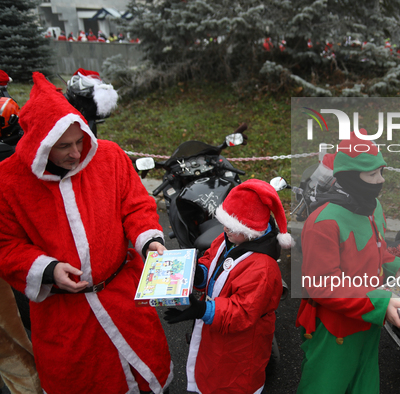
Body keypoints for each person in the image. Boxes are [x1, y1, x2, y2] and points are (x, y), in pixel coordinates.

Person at [0, 72, 173, 394]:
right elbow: (5, 244)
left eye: (80, 141)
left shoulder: (109, 156)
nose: (77, 153)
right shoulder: (8, 182)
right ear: (39, 143)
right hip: (64, 316)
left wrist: (149, 238)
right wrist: (47, 269)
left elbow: (136, 206)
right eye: (63, 146)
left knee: (148, 373)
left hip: (124, 298)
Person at [295, 130, 400, 394]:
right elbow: (322, 285)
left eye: (381, 172)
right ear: (350, 176)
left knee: (364, 383)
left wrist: (397, 267)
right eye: (372, 175)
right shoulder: (323, 223)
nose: (380, 181)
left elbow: (377, 249)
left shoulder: (373, 207)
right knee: (326, 385)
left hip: (369, 317)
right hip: (336, 328)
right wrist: (379, 302)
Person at [164, 179, 290, 393]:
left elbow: (243, 311)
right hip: (219, 333)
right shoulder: (227, 240)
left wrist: (204, 309)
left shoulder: (263, 269)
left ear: (250, 229)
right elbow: (210, 260)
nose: (224, 228)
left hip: (241, 347)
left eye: (232, 226)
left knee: (231, 383)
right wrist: (195, 274)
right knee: (212, 373)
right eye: (225, 221)